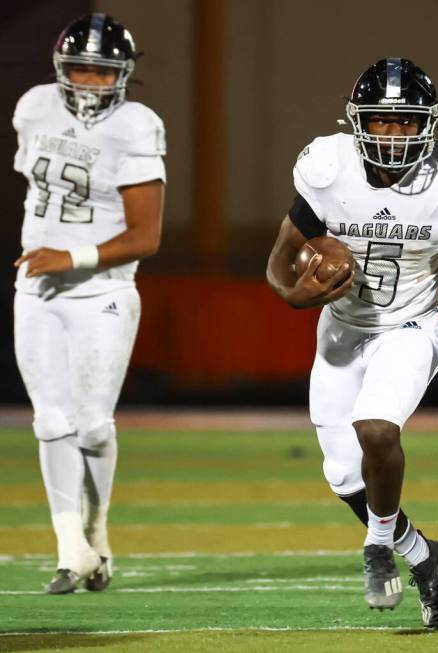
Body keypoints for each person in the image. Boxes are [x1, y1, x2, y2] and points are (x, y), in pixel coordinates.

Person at [266, 58, 438, 630]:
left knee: (376, 427)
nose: (392, 137)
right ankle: (424, 557)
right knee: (345, 476)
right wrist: (297, 294)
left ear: (430, 124)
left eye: (406, 123)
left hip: (413, 325)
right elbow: (280, 257)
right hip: (343, 330)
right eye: (381, 122)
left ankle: (376, 549)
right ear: (357, 121)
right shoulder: (328, 167)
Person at [13, 13, 166, 594]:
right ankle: (69, 549)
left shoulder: (136, 125)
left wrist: (69, 255)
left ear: (122, 75)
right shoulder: (33, 107)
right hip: (38, 289)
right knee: (50, 420)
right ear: (59, 67)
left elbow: (146, 237)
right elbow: (39, 196)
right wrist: (41, 254)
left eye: (102, 73)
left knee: (94, 426)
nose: (88, 82)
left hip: (102, 289)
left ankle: (97, 532)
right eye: (79, 68)